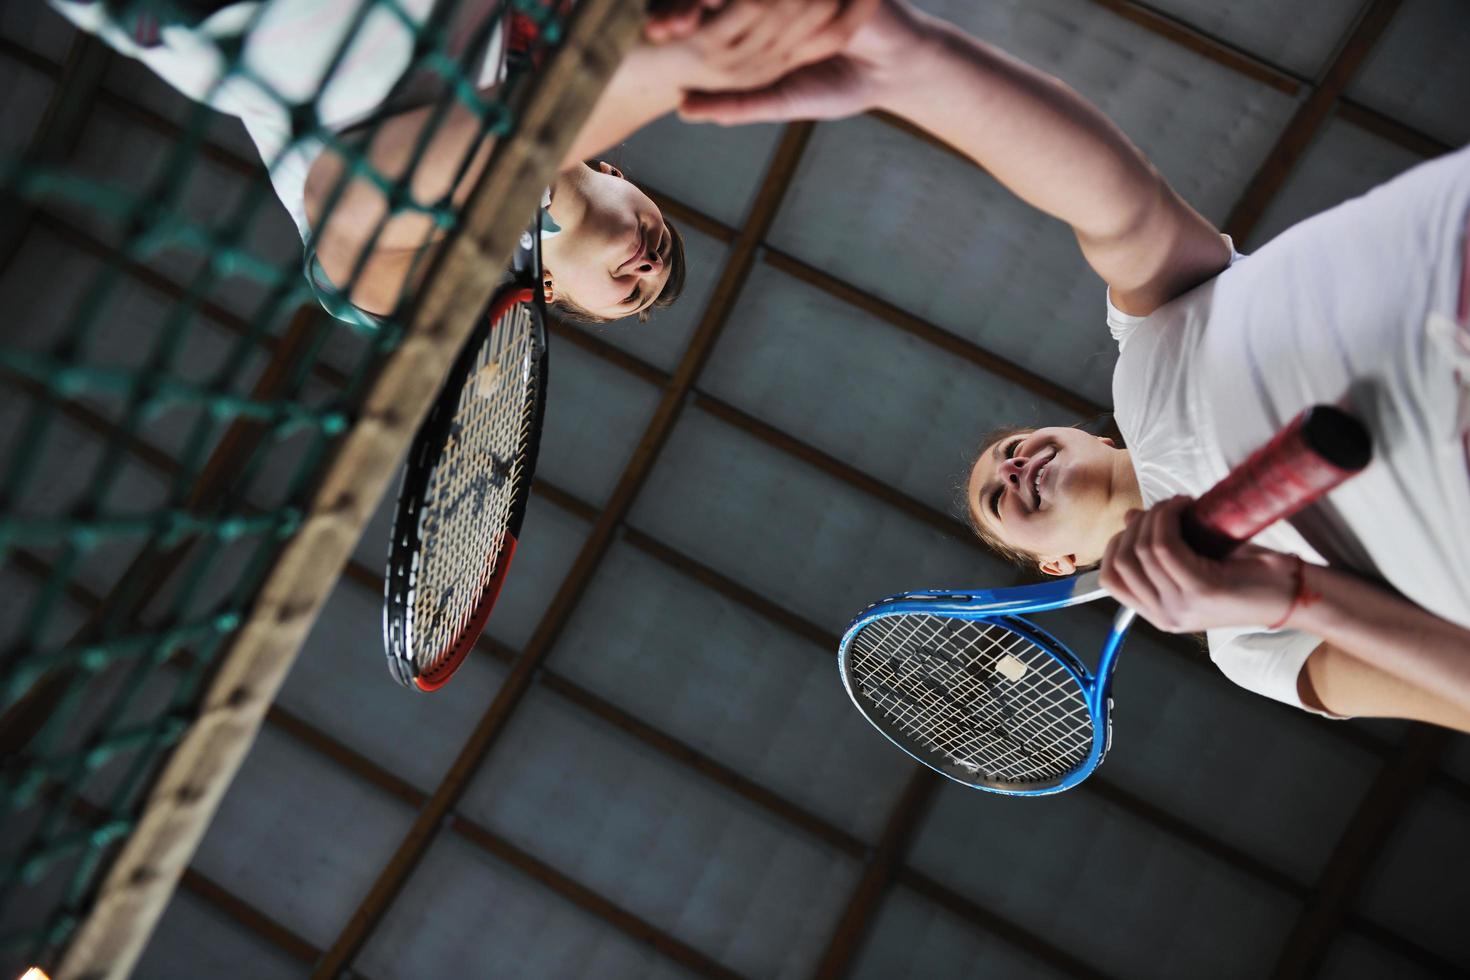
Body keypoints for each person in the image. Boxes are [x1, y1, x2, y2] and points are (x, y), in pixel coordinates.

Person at [679, 0, 1470, 731]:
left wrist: (926, 65)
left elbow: (1119, 205)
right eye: (1000, 494)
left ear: (1095, 437)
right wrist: (1301, 598)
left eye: (1010, 449)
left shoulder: (1146, 348)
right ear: (1058, 566)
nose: (1014, 464)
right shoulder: (1244, 644)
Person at [45, 0, 871, 326]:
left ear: (547, 292)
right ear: (622, 176)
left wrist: (667, 72)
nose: (652, 271)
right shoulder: (567, 42)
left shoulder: (437, 281)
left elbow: (350, 197)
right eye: (667, 250)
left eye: (633, 295)